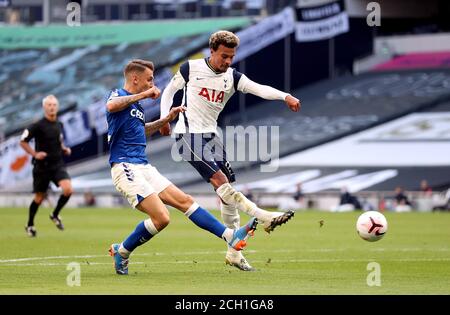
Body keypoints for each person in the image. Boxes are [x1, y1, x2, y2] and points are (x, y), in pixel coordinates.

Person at [159, 30, 300, 271]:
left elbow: (259, 88)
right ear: (212, 51)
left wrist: (284, 96)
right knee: (220, 181)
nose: (227, 61)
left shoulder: (232, 77)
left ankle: (233, 253)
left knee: (227, 193)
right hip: (187, 135)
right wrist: (164, 118)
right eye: (224, 56)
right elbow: (169, 91)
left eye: (231, 57)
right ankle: (263, 216)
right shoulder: (190, 68)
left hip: (211, 137)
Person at [106, 59, 257, 275]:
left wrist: (165, 119)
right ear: (135, 78)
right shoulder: (118, 95)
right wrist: (144, 95)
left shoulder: (134, 107)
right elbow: (111, 106)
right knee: (162, 218)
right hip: (124, 167)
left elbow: (141, 129)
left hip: (144, 166)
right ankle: (122, 251)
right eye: (149, 79)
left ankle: (229, 236)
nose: (152, 84)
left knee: (185, 201)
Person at [20, 94, 73, 237]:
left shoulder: (59, 124)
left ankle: (55, 214)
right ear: (44, 107)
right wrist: (34, 154)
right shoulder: (37, 125)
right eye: (49, 105)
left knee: (68, 189)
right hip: (42, 167)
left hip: (57, 164)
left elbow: (58, 140)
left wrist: (63, 148)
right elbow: (23, 141)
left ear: (57, 107)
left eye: (54, 105)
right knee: (39, 197)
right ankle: (30, 224)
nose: (52, 107)